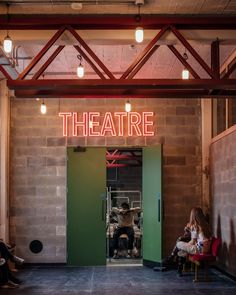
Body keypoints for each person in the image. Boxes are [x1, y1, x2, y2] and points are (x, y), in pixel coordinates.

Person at [175, 207, 211, 277]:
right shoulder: (206, 225)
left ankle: (177, 266)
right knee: (182, 251)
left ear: (193, 216)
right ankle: (178, 268)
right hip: (206, 249)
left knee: (178, 243)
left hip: (198, 249)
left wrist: (185, 246)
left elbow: (193, 241)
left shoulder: (195, 226)